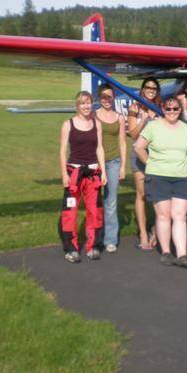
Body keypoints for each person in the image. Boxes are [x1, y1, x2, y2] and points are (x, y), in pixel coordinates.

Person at [135, 96, 187, 268]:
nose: (172, 112)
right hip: (158, 177)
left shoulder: (185, 129)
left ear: (180, 110)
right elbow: (138, 147)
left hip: (181, 177)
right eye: (168, 109)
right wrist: (150, 163)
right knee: (163, 216)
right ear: (162, 109)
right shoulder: (153, 126)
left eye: (175, 109)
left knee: (180, 216)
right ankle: (166, 252)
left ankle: (182, 255)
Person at [59, 91, 107, 263]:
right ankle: (70, 249)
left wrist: (104, 172)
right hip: (74, 174)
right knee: (70, 213)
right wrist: (64, 174)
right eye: (83, 103)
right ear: (77, 106)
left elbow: (99, 148)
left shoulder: (97, 124)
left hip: (93, 173)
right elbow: (63, 151)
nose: (86, 106)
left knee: (94, 211)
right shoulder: (68, 124)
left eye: (89, 103)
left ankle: (93, 246)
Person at [127, 78, 161, 251]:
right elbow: (132, 135)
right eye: (147, 87)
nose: (150, 90)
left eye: (154, 88)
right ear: (142, 89)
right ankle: (142, 233)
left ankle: (156, 229)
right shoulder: (135, 108)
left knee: (157, 194)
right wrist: (144, 119)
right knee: (141, 194)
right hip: (139, 155)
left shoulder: (161, 107)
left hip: (157, 157)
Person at [95, 84, 126, 253]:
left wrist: (122, 167)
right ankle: (95, 238)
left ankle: (110, 239)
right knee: (95, 202)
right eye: (104, 97)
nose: (107, 100)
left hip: (113, 162)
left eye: (110, 97)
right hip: (96, 162)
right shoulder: (93, 116)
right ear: (99, 98)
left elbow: (122, 142)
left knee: (111, 202)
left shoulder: (119, 117)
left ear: (114, 98)